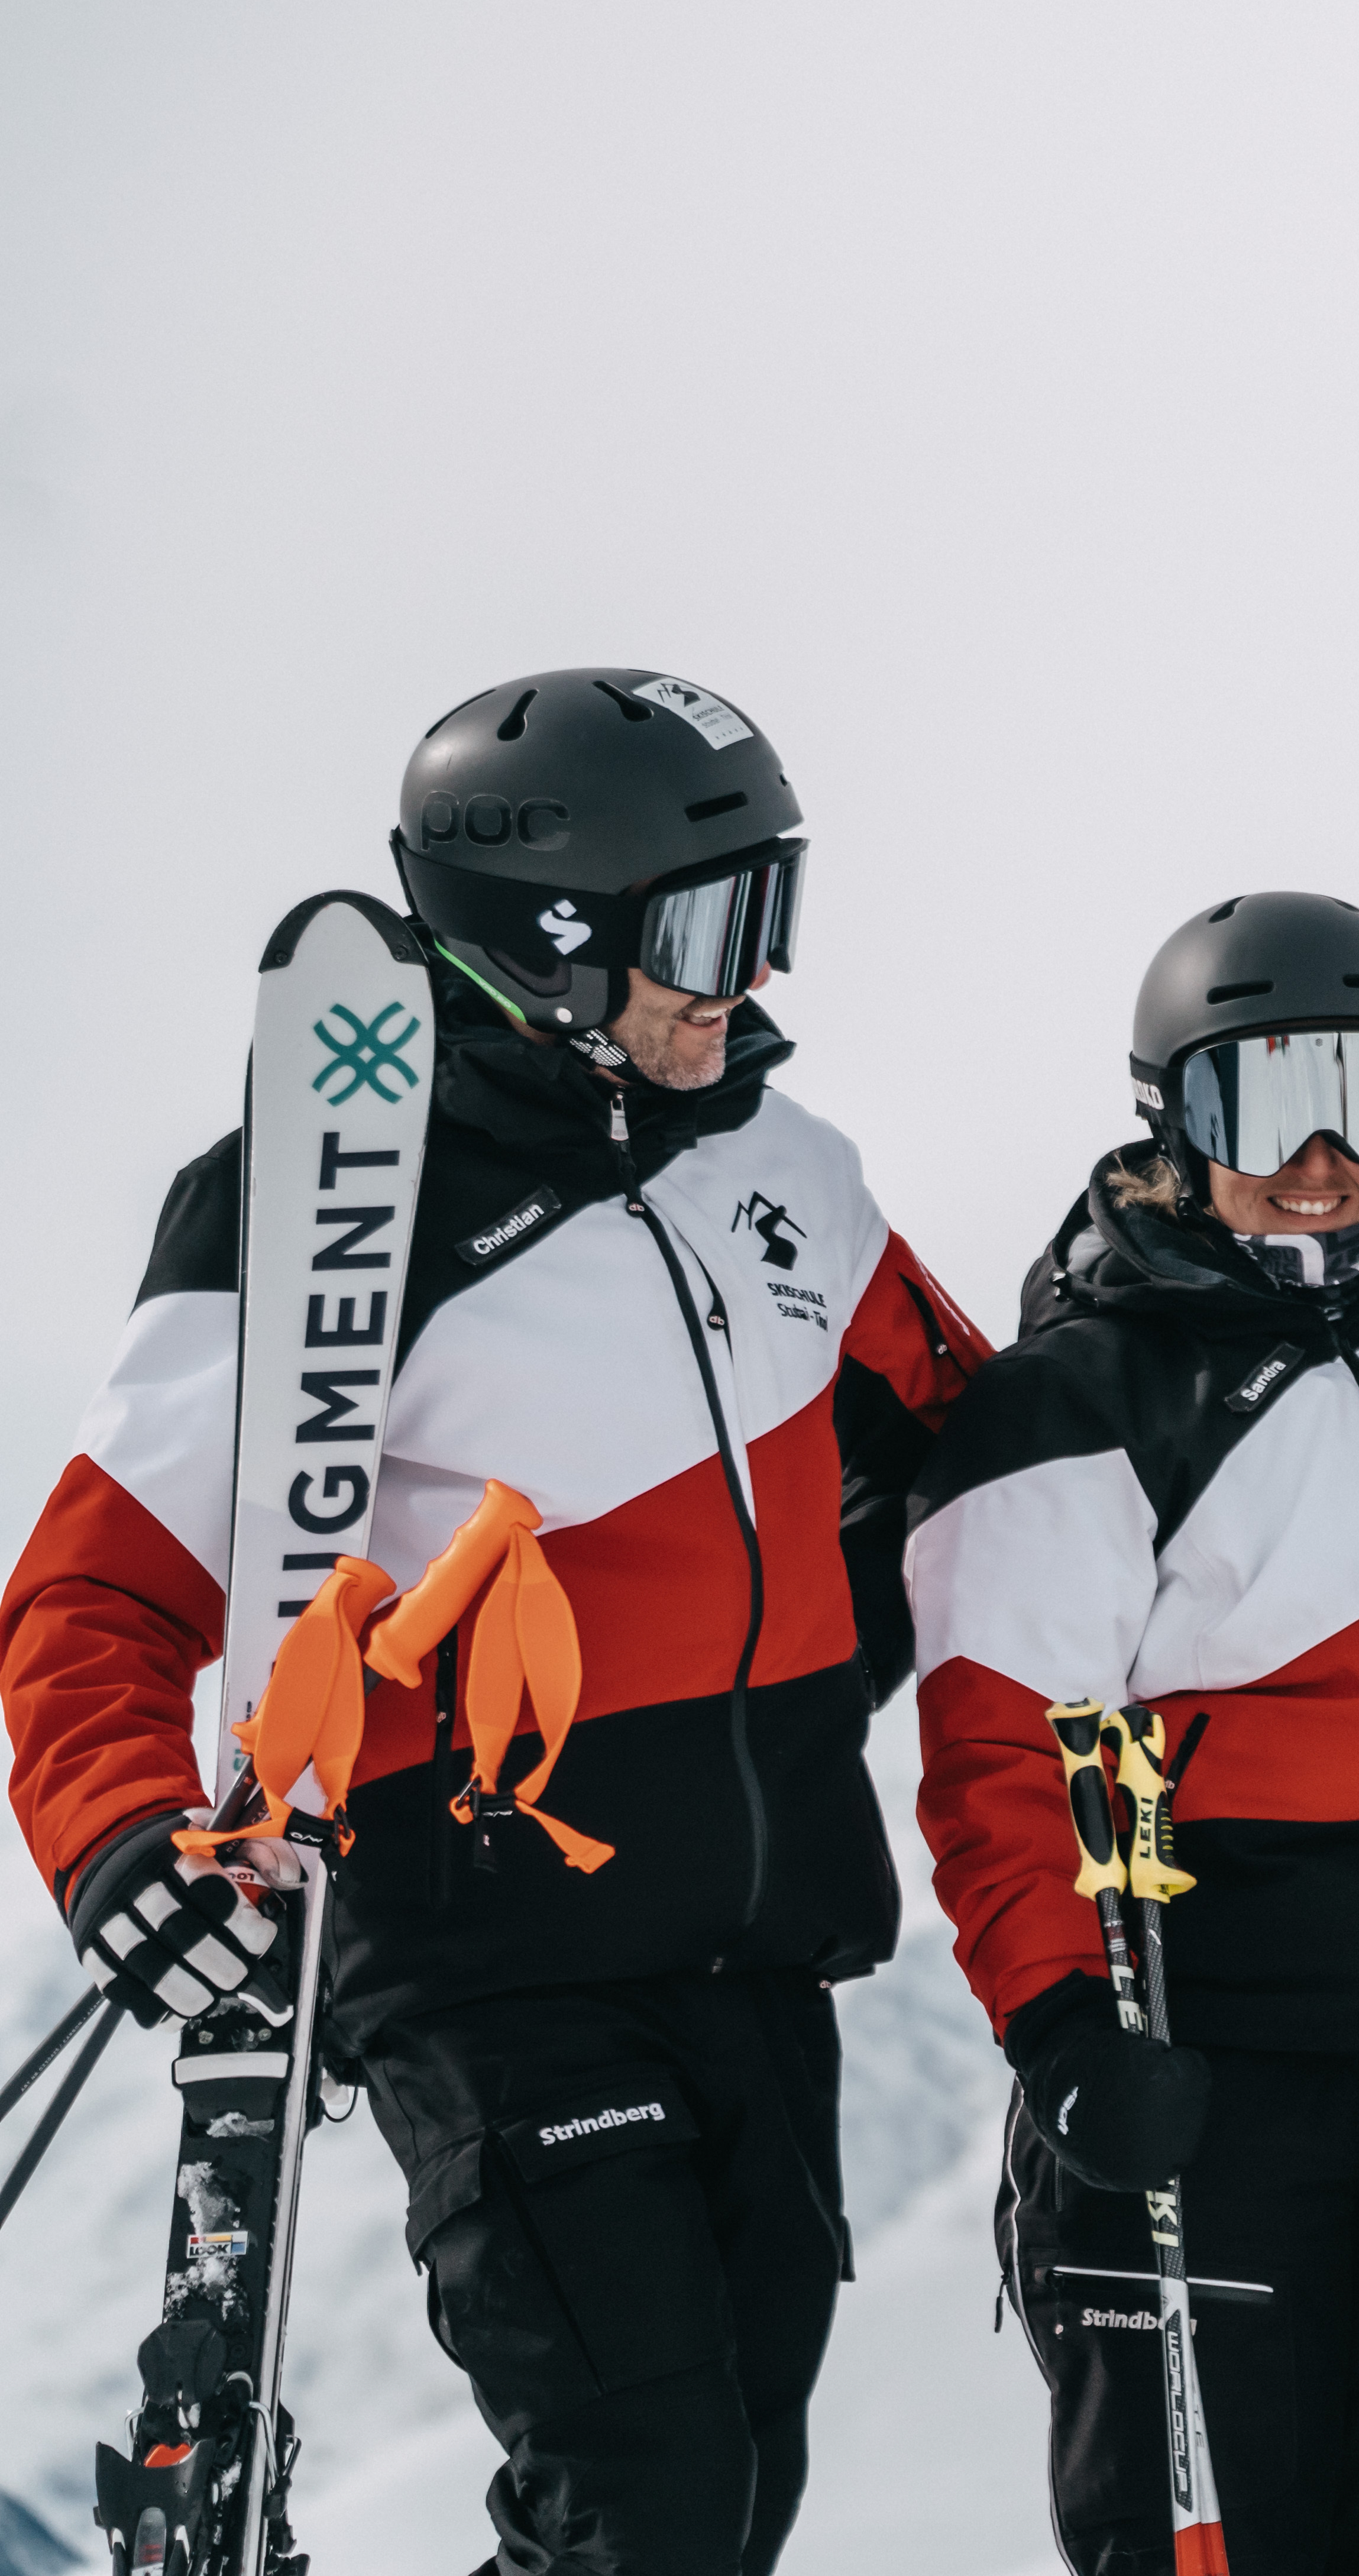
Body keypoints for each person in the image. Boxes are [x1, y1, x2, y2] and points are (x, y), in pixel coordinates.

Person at [2, 668, 983, 2575]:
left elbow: (961, 1434)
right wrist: (118, 1828)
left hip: (766, 1954)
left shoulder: (791, 1175)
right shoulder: (314, 1218)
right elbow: (97, 1590)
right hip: (491, 1958)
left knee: (721, 2506)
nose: (749, 979)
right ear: (553, 934)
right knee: (649, 2504)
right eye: (707, 927)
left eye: (769, 912)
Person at [905, 892, 1359, 2575]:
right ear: (1178, 1118)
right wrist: (1067, 2035)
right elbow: (1003, 1752)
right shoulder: (1080, 1400)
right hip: (1209, 2068)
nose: (1323, 1155)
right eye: (1264, 1101)